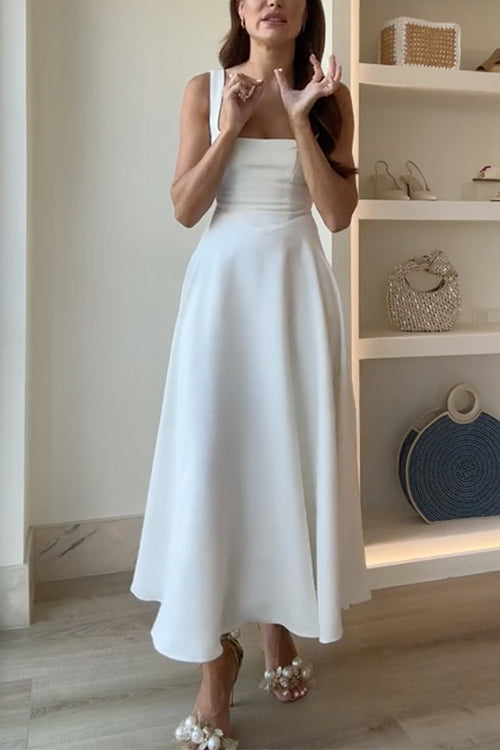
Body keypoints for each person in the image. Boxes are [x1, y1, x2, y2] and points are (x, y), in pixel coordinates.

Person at [130, 0, 371, 747]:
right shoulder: (204, 90)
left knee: (286, 457)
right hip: (223, 295)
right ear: (239, 8)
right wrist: (230, 128)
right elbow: (184, 207)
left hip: (296, 291)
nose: (272, 1)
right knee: (214, 461)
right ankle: (215, 661)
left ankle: (278, 621)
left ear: (305, 9)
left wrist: (300, 119)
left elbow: (336, 215)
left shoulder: (331, 97)